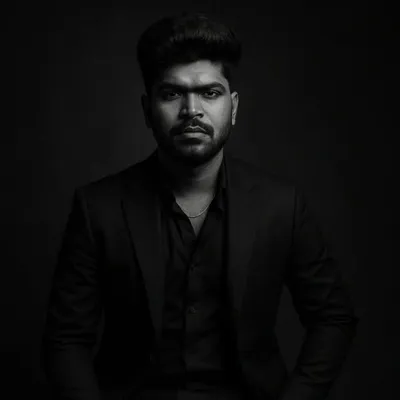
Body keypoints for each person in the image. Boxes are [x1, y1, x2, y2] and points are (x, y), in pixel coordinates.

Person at [41, 12, 359, 400]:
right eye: (171, 94)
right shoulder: (98, 208)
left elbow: (332, 318)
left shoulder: (282, 205)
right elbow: (66, 340)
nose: (191, 110)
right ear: (147, 109)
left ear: (233, 107)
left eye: (210, 93)